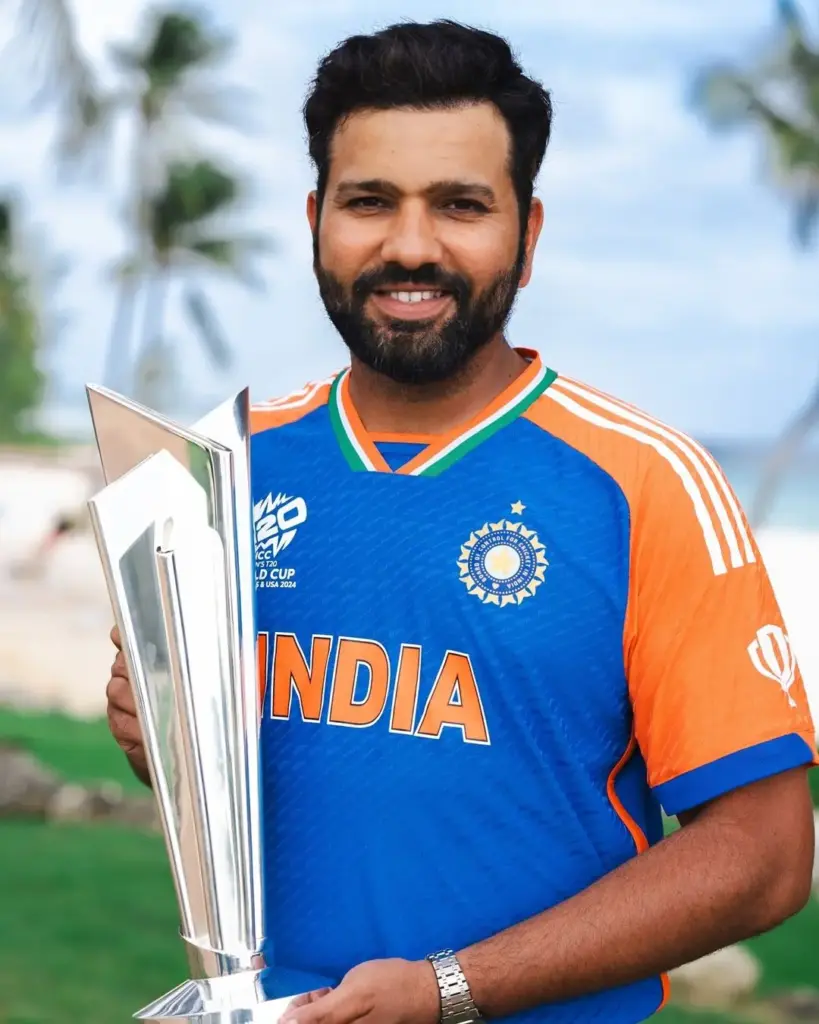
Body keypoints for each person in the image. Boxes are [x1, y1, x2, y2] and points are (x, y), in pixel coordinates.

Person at [105, 19, 819, 1024]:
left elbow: (767, 855)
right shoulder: (231, 465)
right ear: (317, 220)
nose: (409, 245)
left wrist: (450, 991)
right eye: (368, 202)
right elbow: (273, 773)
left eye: (460, 206)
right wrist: (168, 737)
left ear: (525, 238)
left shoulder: (643, 481)